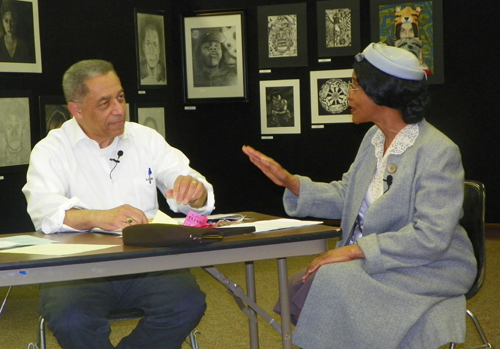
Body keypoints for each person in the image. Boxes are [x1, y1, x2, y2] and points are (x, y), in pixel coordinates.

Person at [242, 43, 476, 348]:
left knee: (330, 280)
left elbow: (430, 237)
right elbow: (346, 193)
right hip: (384, 258)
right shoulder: (373, 139)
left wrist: (353, 251)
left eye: (355, 85)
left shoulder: (438, 152)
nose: (348, 94)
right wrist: (292, 183)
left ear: (382, 92)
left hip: (431, 266)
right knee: (303, 281)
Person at [22, 59, 215, 349]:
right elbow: (44, 212)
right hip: (79, 269)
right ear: (76, 109)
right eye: (105, 102)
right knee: (71, 318)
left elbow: (190, 186)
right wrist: (98, 217)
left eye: (121, 97)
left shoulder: (145, 139)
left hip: (148, 262)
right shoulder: (52, 150)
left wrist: (195, 192)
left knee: (186, 304)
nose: (119, 109)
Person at [0, 97, 30, 166]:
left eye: (17, 127)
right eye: (9, 128)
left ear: (23, 128)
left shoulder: (31, 156)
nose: (14, 133)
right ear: (3, 130)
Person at [139, 20, 166, 85]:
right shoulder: (141, 76)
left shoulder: (164, 75)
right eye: (148, 44)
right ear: (144, 48)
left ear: (159, 48)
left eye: (155, 44)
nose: (152, 51)